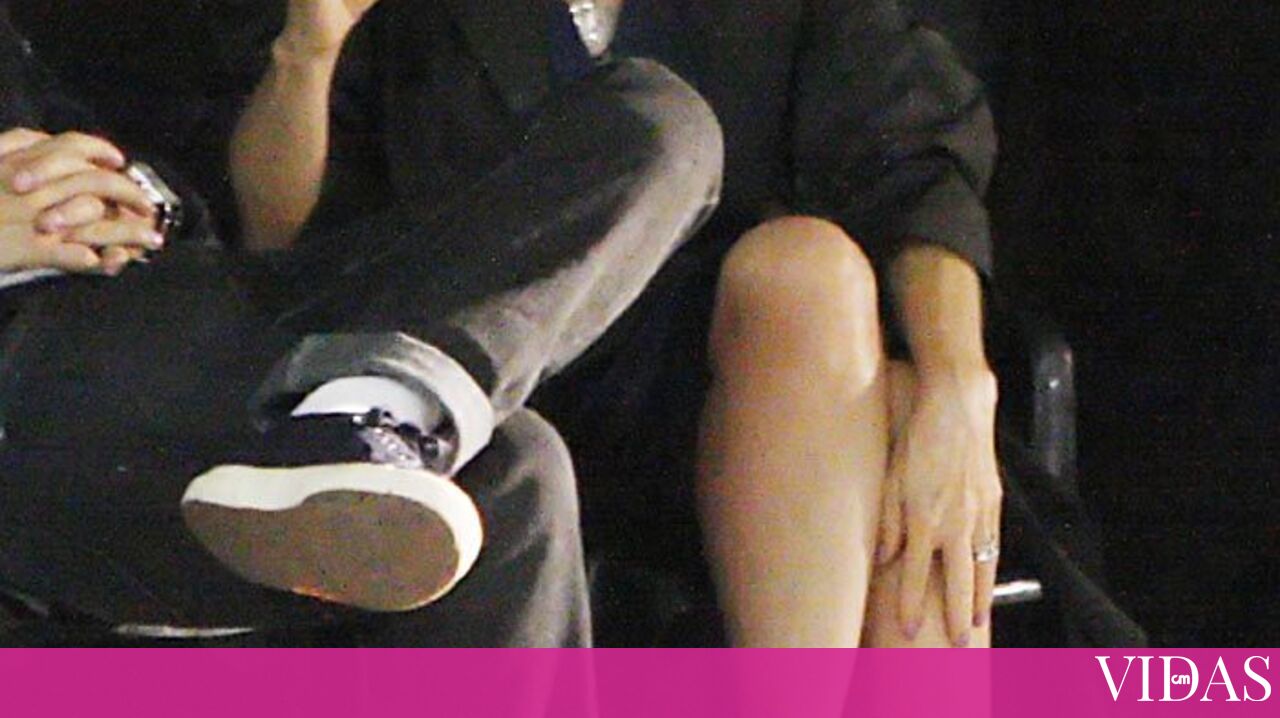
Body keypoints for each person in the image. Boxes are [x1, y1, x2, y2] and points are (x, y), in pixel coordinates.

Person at [0, 0, 722, 646]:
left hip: (199, 313)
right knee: (508, 474)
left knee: (659, 117)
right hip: (49, 381)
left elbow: (157, 177)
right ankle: (373, 410)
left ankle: (376, 410)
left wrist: (139, 200)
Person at [530, 0, 1001, 648]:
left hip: (721, 383)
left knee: (826, 294)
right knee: (885, 420)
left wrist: (958, 389)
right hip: (501, 382)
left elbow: (914, 161)